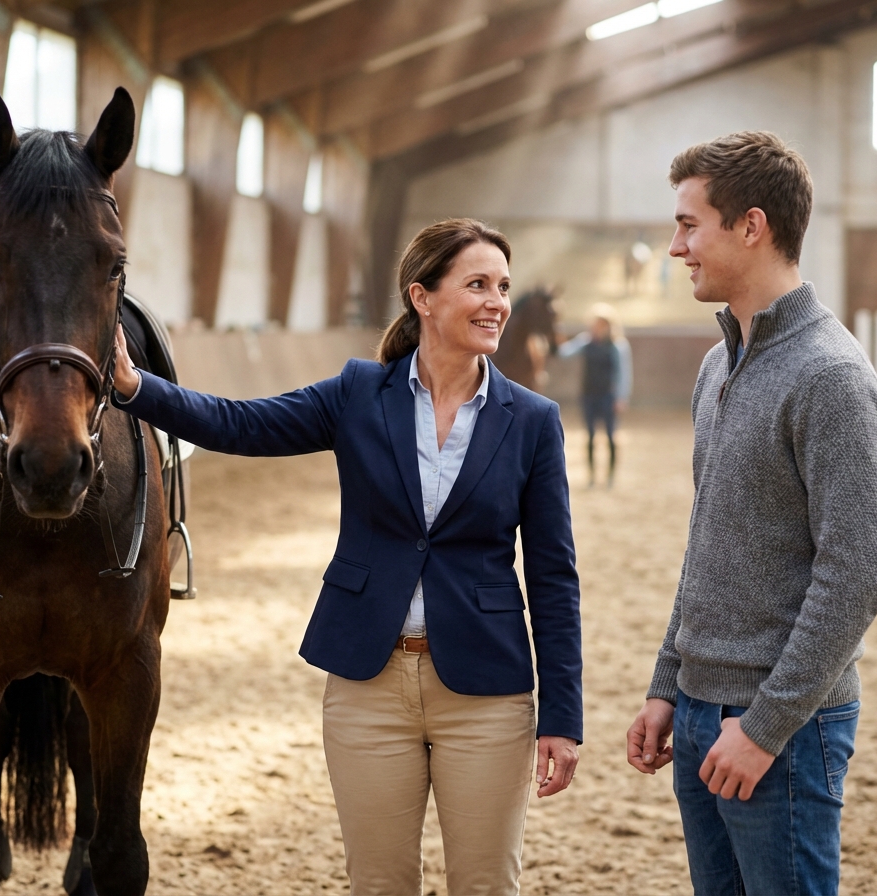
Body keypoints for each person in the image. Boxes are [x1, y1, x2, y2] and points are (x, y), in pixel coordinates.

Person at [112, 218, 582, 896]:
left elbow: (553, 577)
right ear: (422, 298)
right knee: (379, 883)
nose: (496, 303)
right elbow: (242, 424)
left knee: (485, 885)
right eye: (476, 284)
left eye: (502, 287)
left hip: (486, 692)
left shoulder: (532, 419)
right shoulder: (360, 393)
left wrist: (563, 718)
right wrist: (137, 390)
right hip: (370, 686)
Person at [625, 132, 877, 895]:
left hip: (783, 730)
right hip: (704, 714)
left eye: (688, 225)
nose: (677, 247)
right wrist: (668, 683)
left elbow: (855, 579)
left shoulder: (831, 377)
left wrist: (765, 728)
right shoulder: (719, 364)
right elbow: (709, 539)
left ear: (751, 226)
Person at [558, 303, 632, 487]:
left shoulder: (617, 346)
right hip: (588, 395)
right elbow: (564, 353)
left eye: (599, 324)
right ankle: (591, 476)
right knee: (590, 436)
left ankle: (610, 477)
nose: (595, 328)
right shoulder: (585, 341)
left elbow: (623, 373)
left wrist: (621, 398)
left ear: (607, 325)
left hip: (608, 396)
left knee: (610, 435)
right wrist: (556, 336)